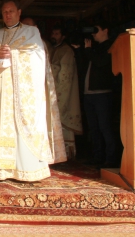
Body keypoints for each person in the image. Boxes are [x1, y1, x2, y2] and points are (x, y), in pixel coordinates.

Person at [0, 0, 66, 181]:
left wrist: (13, 54)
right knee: (3, 126)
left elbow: (38, 56)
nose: (8, 15)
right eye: (4, 12)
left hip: (23, 94)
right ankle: (4, 169)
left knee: (24, 127)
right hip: (3, 94)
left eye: (11, 11)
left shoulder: (31, 32)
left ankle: (27, 169)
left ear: (19, 12)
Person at [83, 23, 120, 168]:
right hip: (89, 94)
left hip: (103, 93)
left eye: (96, 30)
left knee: (105, 126)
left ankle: (111, 158)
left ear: (106, 30)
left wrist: (88, 51)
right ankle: (97, 156)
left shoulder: (111, 46)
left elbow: (100, 62)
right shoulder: (93, 47)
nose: (93, 34)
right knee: (93, 127)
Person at [50, 27, 83, 159]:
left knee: (62, 120)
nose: (53, 35)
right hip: (53, 89)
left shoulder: (66, 51)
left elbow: (65, 75)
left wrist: (49, 69)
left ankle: (65, 154)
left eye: (57, 33)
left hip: (62, 91)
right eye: (53, 32)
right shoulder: (54, 49)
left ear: (63, 36)